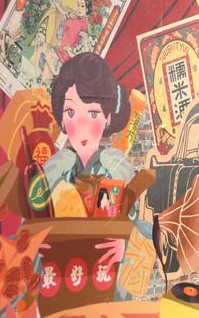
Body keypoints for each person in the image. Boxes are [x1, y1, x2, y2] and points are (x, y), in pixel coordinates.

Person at [43, 52, 145, 269]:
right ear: (62, 118)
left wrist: (124, 242)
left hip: (103, 266)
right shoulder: (56, 167)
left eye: (92, 114)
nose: (82, 126)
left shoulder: (114, 166)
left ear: (107, 117)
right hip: (60, 265)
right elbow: (35, 212)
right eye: (71, 112)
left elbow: (133, 215)